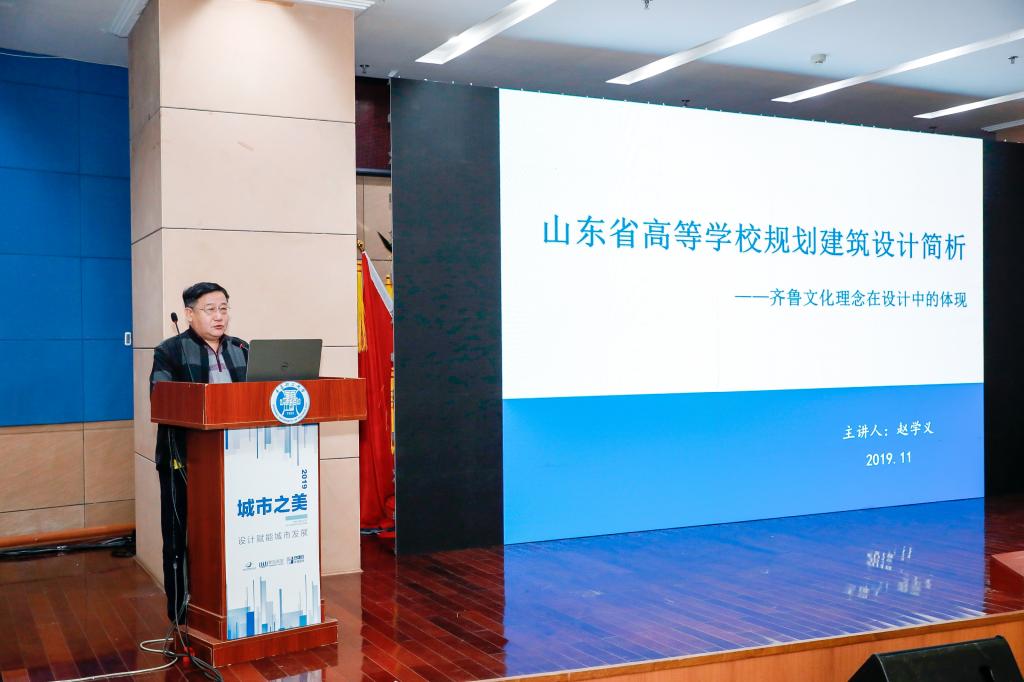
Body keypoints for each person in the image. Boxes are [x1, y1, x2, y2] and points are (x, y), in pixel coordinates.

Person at [149, 282, 248, 622]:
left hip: (236, 458)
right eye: (210, 310)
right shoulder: (170, 351)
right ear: (189, 314)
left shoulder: (241, 348)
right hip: (182, 459)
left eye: (224, 308)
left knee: (231, 533)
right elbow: (160, 398)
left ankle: (231, 605)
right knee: (178, 538)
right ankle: (180, 617)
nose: (219, 316)